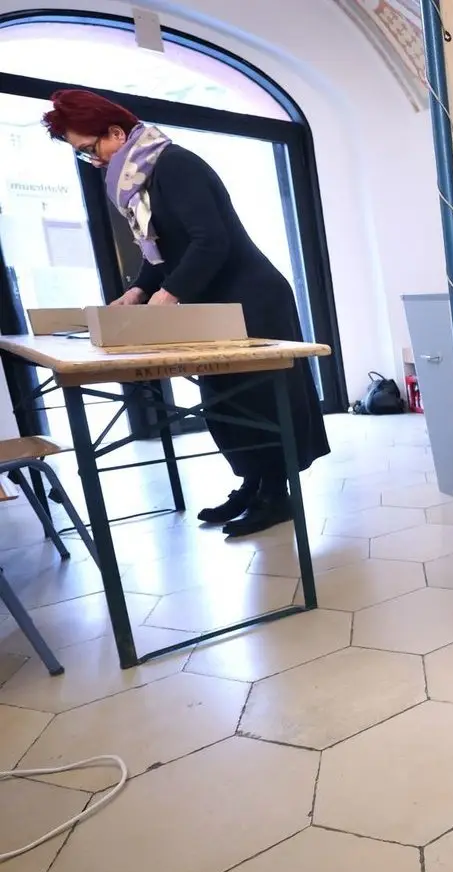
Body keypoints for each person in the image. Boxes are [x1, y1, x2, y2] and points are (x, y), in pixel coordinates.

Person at [42, 89, 329, 537]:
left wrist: (169, 294)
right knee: (223, 400)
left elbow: (210, 240)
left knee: (257, 400)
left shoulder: (174, 164)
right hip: (214, 302)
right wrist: (138, 290)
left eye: (90, 148)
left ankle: (277, 495)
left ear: (115, 133)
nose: (92, 160)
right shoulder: (141, 181)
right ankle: (252, 484)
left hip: (250, 298)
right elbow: (160, 251)